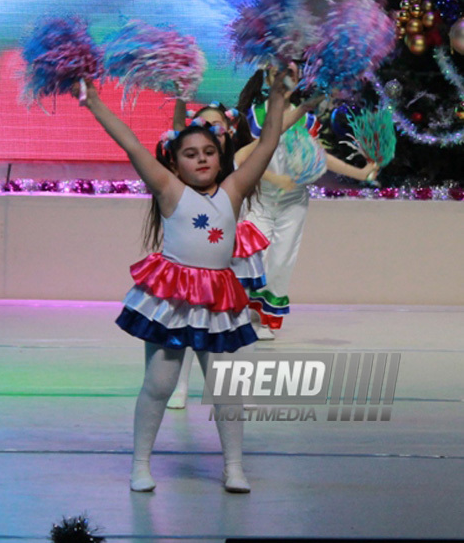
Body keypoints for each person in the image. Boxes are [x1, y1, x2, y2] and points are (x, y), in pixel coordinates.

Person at [73, 72, 288, 493]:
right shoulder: (168, 189)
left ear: (220, 156)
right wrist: (94, 102)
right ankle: (140, 464)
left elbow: (267, 145)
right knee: (159, 384)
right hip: (172, 299)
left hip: (217, 301)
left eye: (209, 151)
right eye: (190, 154)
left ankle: (234, 466)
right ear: (174, 162)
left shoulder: (233, 190)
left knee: (226, 389)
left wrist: (278, 98)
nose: (202, 159)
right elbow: (131, 143)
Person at [236, 68, 378, 336]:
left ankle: (268, 320)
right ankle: (242, 311)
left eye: (291, 74)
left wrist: (360, 172)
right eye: (278, 74)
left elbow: (318, 155)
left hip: (294, 201)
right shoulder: (256, 116)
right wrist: (275, 179)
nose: (286, 79)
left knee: (282, 260)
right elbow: (245, 158)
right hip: (260, 198)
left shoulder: (308, 119)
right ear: (268, 79)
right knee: (252, 255)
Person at [166, 99, 270, 409]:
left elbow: (272, 136)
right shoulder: (189, 171)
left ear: (228, 132)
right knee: (186, 319)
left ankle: (238, 386)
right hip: (196, 257)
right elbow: (176, 134)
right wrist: (180, 97)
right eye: (202, 128)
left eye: (217, 128)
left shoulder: (238, 162)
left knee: (239, 320)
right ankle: (180, 385)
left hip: (234, 252)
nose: (211, 133)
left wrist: (297, 105)